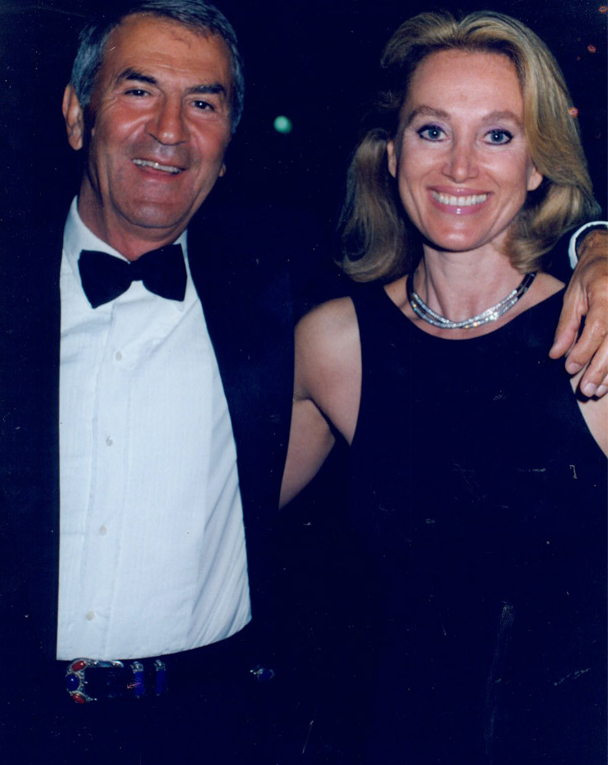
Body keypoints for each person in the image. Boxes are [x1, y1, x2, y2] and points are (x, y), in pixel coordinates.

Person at [281, 11, 607, 763]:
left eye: (497, 135)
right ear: (392, 153)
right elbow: (221, 524)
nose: (460, 167)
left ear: (537, 164)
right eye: (433, 130)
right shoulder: (333, 344)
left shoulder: (593, 333)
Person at [0, 2, 298, 762]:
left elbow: (450, 282)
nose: (169, 130)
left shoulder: (282, 302)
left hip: (205, 730)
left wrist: (582, 245)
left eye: (204, 103)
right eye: (138, 90)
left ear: (226, 146)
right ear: (78, 115)